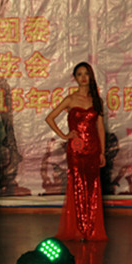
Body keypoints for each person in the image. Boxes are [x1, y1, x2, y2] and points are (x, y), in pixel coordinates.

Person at [45, 62, 108, 241]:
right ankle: (80, 229)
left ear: (91, 76)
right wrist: (65, 136)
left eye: (86, 74)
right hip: (76, 150)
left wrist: (102, 152)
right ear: (75, 78)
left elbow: (100, 128)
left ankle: (91, 229)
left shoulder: (97, 101)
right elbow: (49, 118)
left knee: (92, 187)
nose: (83, 77)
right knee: (78, 187)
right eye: (79, 74)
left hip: (93, 149)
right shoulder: (70, 99)